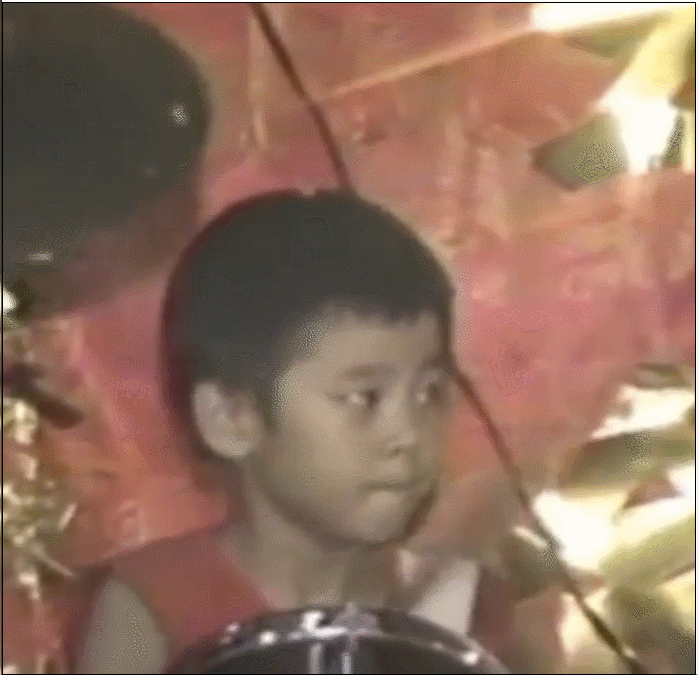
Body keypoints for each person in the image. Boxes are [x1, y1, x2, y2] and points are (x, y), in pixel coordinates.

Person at [77, 191, 553, 673]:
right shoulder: (153, 607)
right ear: (231, 418)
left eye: (429, 392)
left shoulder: (471, 609)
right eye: (364, 399)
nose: (408, 434)